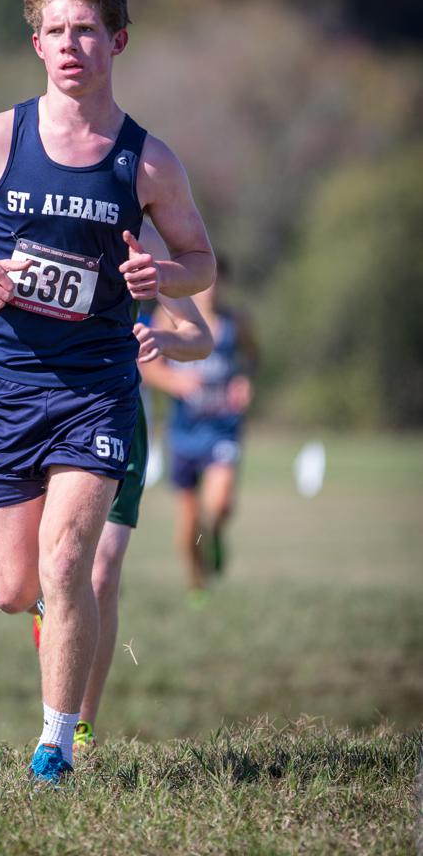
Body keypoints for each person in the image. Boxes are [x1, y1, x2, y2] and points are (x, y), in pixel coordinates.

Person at [0, 0, 215, 782]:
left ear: (116, 41)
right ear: (37, 44)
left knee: (69, 560)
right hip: (6, 387)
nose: (71, 45)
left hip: (96, 388)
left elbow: (199, 259)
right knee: (16, 589)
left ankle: (56, 745)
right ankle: (62, 624)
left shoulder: (146, 161)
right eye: (56, 31)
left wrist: (167, 280)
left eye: (87, 30)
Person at [0, 219, 214, 750]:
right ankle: (52, 615)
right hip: (28, 407)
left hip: (111, 415)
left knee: (98, 571)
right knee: (29, 584)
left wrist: (163, 336)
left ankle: (79, 727)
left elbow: (200, 338)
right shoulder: (32, 222)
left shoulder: (136, 248)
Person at [140, 257, 258, 600]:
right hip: (183, 432)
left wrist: (244, 381)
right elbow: (147, 368)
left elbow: (252, 358)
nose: (212, 289)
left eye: (218, 282)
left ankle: (217, 534)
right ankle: (197, 582)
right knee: (189, 526)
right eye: (206, 282)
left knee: (219, 504)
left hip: (222, 428)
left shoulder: (237, 322)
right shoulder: (171, 318)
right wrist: (176, 382)